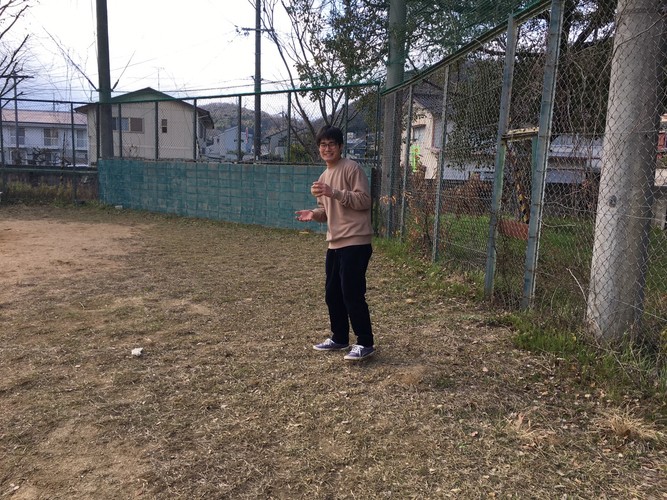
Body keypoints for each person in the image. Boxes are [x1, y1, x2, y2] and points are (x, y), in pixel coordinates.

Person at [295, 125, 375, 361]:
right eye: (323, 145)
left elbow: (364, 201)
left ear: (340, 146)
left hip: (356, 241)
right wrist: (313, 213)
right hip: (335, 243)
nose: (327, 148)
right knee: (332, 293)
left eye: (331, 144)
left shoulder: (351, 168)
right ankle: (339, 337)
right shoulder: (323, 177)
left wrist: (335, 193)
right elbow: (326, 211)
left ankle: (365, 342)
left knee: (352, 293)